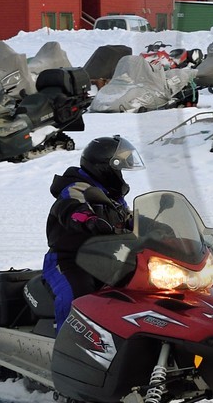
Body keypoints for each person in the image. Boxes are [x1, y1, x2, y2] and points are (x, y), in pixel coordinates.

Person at [44, 135, 143, 329]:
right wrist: (87, 219)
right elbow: (70, 208)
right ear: (104, 167)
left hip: (103, 260)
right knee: (76, 298)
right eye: (118, 168)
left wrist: (158, 228)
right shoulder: (76, 188)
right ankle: (66, 349)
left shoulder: (111, 195)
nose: (121, 174)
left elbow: (128, 220)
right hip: (68, 261)